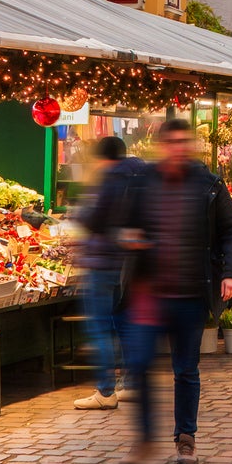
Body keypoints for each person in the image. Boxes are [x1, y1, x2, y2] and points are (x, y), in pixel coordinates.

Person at [116, 118, 232, 464]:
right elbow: (123, 224)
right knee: (139, 366)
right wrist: (127, 238)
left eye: (182, 142)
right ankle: (142, 441)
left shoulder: (210, 184)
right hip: (148, 294)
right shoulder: (142, 183)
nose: (176, 148)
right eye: (170, 142)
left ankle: (185, 439)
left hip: (190, 292)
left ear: (190, 146)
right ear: (161, 145)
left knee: (185, 369)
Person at [69, 135, 143, 411]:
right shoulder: (138, 178)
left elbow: (94, 218)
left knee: (100, 327)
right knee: (123, 324)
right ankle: (131, 383)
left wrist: (79, 215)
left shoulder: (109, 180)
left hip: (101, 262)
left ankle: (105, 390)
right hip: (127, 265)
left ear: (102, 158)